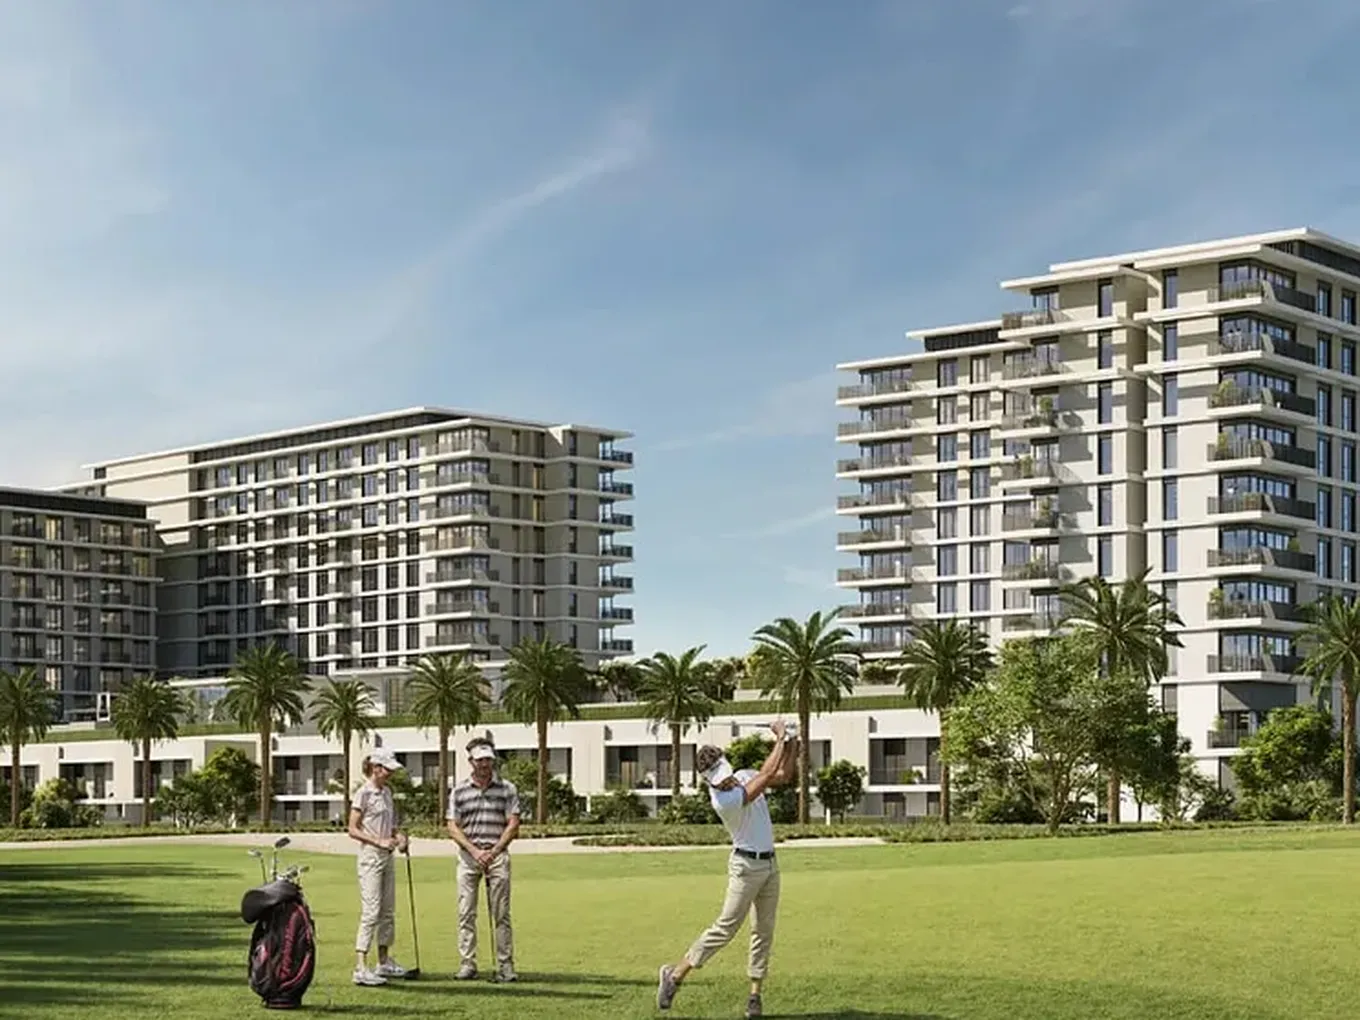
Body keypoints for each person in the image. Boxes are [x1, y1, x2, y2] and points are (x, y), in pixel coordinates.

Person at [656, 721, 798, 1019]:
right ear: (709, 780)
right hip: (745, 867)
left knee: (763, 931)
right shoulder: (725, 801)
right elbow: (767, 774)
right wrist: (780, 738)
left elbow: (782, 775)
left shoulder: (743, 775)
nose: (722, 783)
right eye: (717, 781)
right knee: (726, 927)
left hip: (770, 865)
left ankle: (755, 996)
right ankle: (675, 974)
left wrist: (793, 741)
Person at [446, 736, 522, 981]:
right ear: (471, 761)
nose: (484, 764)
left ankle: (505, 965)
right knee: (466, 912)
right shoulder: (459, 790)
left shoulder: (507, 788)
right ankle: (467, 964)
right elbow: (453, 826)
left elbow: (513, 823)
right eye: (480, 760)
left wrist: (495, 850)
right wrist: (475, 851)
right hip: (469, 857)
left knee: (501, 914)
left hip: (497, 856)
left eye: (488, 759)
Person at [348, 748, 410, 986]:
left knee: (387, 911)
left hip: (387, 856)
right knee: (371, 911)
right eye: (387, 769)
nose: (390, 773)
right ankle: (360, 967)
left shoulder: (387, 792)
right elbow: (352, 829)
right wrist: (378, 841)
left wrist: (399, 838)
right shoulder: (363, 793)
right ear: (376, 768)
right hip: (370, 857)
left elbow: (391, 826)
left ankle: (383, 962)